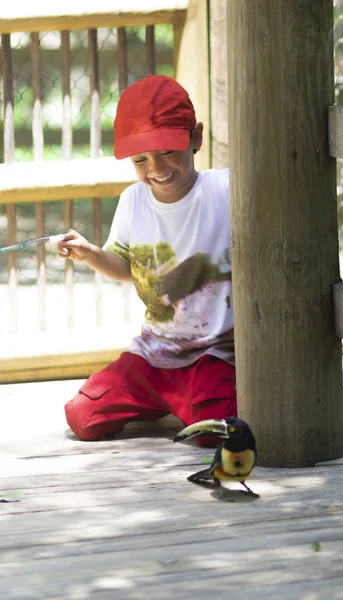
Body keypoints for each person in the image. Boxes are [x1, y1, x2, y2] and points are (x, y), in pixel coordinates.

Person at [57, 74, 236, 445]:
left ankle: (191, 401)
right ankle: (167, 400)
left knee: (214, 432)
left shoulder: (225, 190)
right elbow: (127, 268)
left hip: (213, 354)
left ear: (196, 138)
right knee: (82, 416)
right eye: (140, 159)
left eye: (167, 152)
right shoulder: (133, 201)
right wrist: (91, 254)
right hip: (153, 354)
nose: (155, 168)